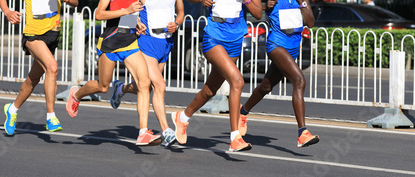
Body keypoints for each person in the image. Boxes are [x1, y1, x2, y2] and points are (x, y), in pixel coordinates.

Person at [171, 0, 262, 152]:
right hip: (214, 36)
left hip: (235, 38)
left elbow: (258, 14)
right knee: (237, 81)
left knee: (211, 89)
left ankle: (182, 117)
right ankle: (235, 138)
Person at [66, 0, 161, 146]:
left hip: (129, 42)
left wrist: (137, 23)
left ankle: (143, 133)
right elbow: (99, 14)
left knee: (144, 83)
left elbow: (131, 14)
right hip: (110, 42)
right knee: (102, 87)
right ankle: (76, 95)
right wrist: (126, 11)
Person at [238, 0, 319, 148]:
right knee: (299, 81)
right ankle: (303, 133)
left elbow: (310, 22)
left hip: (293, 48)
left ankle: (242, 112)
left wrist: (302, 3)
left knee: (266, 87)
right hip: (277, 45)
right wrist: (266, 6)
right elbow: (257, 10)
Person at [110, 0, 185, 147]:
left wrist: (176, 24)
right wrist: (136, 23)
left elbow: (181, 13)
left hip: (166, 42)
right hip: (146, 41)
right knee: (159, 85)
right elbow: (129, 10)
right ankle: (166, 131)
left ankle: (120, 89)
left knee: (149, 86)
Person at [0, 0, 79, 135]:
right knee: (52, 67)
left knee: (33, 79)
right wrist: (7, 11)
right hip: (33, 33)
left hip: (52, 34)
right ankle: (51, 117)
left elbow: (75, 3)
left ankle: (12, 109)